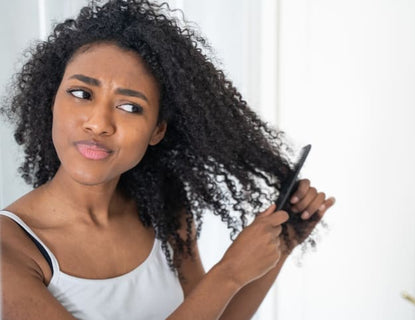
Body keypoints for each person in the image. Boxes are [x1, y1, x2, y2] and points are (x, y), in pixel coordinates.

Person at [0, 0, 335, 319]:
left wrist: (283, 243)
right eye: (81, 94)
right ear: (51, 100)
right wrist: (229, 273)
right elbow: (219, 288)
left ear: (157, 130)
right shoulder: (10, 247)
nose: (99, 123)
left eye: (130, 106)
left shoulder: (163, 211)